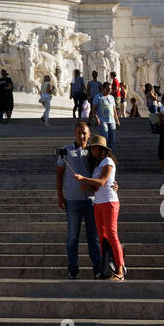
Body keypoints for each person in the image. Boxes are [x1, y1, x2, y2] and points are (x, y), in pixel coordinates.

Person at [55, 120, 102, 280]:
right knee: (72, 236)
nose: (82, 136)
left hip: (91, 200)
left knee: (93, 236)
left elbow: (103, 174)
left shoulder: (94, 152)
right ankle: (73, 268)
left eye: (85, 133)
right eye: (79, 132)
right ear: (75, 134)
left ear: (89, 135)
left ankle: (97, 267)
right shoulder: (66, 151)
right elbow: (59, 173)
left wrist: (112, 185)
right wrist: (60, 195)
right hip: (73, 200)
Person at [73, 134, 124, 281]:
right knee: (102, 237)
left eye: (95, 148)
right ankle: (106, 267)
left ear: (102, 149)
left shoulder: (108, 161)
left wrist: (84, 179)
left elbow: (102, 182)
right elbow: (97, 187)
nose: (92, 150)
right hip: (99, 202)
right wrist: (87, 186)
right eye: (92, 148)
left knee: (112, 235)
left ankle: (120, 269)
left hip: (109, 202)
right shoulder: (98, 164)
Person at [91, 81, 119, 150]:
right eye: (108, 88)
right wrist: (96, 118)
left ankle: (111, 153)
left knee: (112, 138)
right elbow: (93, 109)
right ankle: (105, 152)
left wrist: (117, 120)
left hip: (111, 120)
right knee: (105, 137)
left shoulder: (111, 97)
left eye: (110, 89)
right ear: (103, 88)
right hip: (102, 120)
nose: (109, 90)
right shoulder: (97, 97)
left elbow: (114, 109)